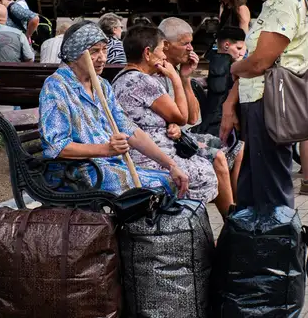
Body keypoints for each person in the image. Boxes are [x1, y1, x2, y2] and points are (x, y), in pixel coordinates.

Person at [220, 0, 308, 210]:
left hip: (270, 103)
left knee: (271, 188)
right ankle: (257, 233)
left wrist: (235, 66)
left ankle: (277, 234)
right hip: (263, 100)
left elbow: (259, 62)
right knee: (257, 183)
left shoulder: (285, 2)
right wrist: (231, 100)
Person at [39, 20, 190, 196]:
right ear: (75, 53)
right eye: (94, 51)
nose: (103, 58)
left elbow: (130, 130)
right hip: (76, 174)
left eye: (104, 50)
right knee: (154, 188)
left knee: (170, 179)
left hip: (108, 166)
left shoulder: (102, 85)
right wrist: (106, 149)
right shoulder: (56, 86)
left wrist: (171, 165)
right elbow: (56, 147)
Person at [112, 25, 235, 214]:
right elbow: (182, 117)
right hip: (149, 158)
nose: (164, 56)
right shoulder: (143, 81)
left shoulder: (122, 78)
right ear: (147, 53)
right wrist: (176, 77)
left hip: (150, 151)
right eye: (162, 50)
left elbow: (186, 118)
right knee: (206, 170)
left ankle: (229, 219)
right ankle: (220, 222)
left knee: (220, 156)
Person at [157, 17, 244, 188]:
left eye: (191, 43)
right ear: (166, 45)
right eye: (185, 44)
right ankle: (230, 204)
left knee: (239, 147)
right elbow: (183, 119)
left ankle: (239, 202)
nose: (191, 48)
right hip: (169, 141)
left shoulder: (177, 70)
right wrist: (176, 79)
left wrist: (185, 78)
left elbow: (193, 118)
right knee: (219, 156)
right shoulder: (159, 72)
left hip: (182, 135)